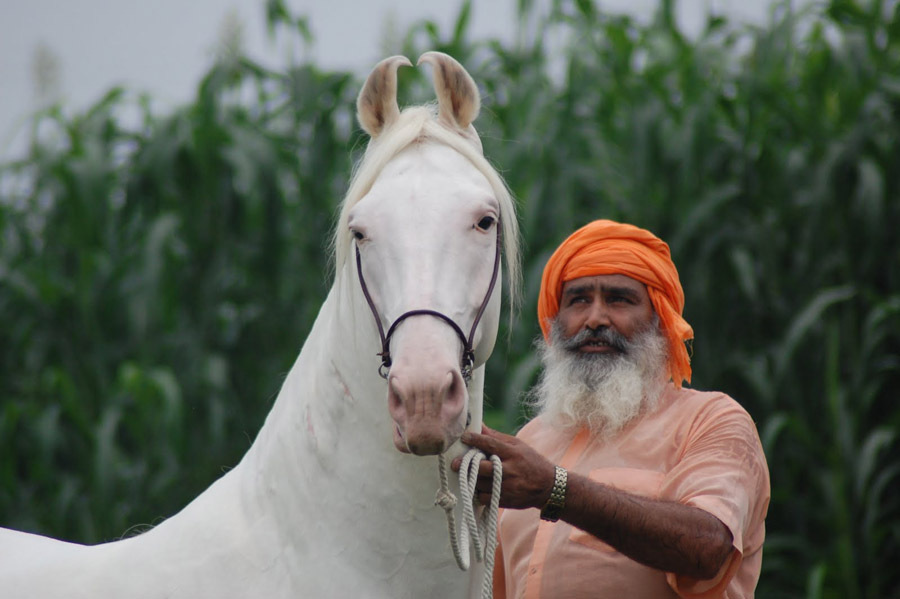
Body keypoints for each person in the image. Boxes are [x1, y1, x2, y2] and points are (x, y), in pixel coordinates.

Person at [455, 219, 770, 598]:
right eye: (578, 300)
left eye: (619, 299)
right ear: (554, 323)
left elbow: (708, 547)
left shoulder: (712, 420)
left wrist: (554, 490)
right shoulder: (531, 442)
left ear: (660, 319)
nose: (595, 319)